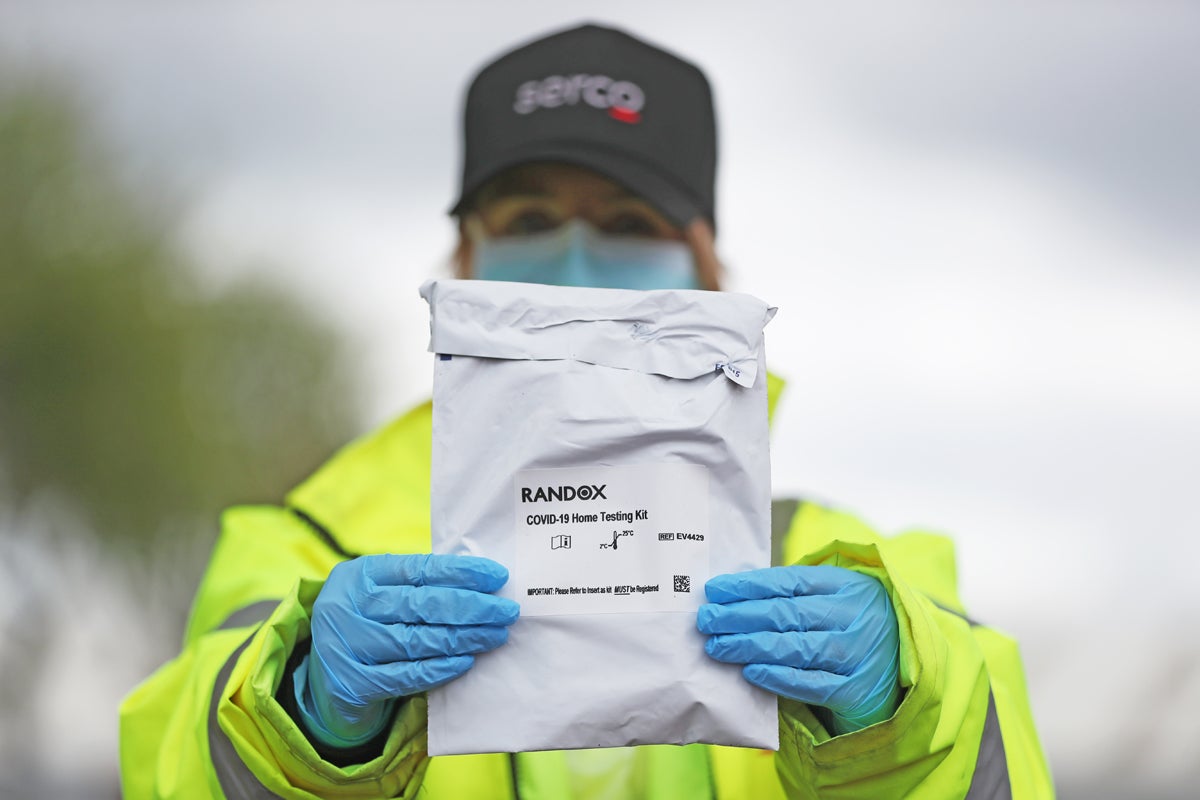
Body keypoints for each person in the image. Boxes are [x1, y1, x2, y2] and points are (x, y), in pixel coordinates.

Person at [120, 23, 1053, 799]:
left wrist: (901, 713)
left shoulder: (846, 563)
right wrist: (303, 715)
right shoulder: (300, 550)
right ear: (462, 265)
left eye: (628, 223)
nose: (571, 260)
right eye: (527, 220)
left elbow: (1002, 756)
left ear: (708, 271)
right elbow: (173, 762)